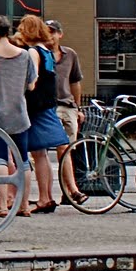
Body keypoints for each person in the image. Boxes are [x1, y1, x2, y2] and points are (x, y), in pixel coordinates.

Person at [0, 14, 34, 217]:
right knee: (24, 161)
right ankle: (24, 205)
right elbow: (31, 84)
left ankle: (2, 205)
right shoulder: (25, 55)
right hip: (19, 112)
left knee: (1, 159)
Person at [18, 15, 67, 214]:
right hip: (47, 103)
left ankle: (44, 197)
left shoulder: (32, 52)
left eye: (22, 28)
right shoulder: (47, 51)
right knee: (42, 153)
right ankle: (46, 195)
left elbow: (32, 80)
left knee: (37, 153)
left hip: (35, 106)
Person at [46, 19, 84, 204]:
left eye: (53, 32)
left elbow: (75, 82)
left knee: (67, 149)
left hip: (67, 105)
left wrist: (77, 107)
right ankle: (72, 190)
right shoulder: (40, 55)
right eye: (47, 31)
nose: (50, 35)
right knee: (57, 147)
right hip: (48, 107)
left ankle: (68, 192)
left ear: (60, 34)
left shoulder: (70, 55)